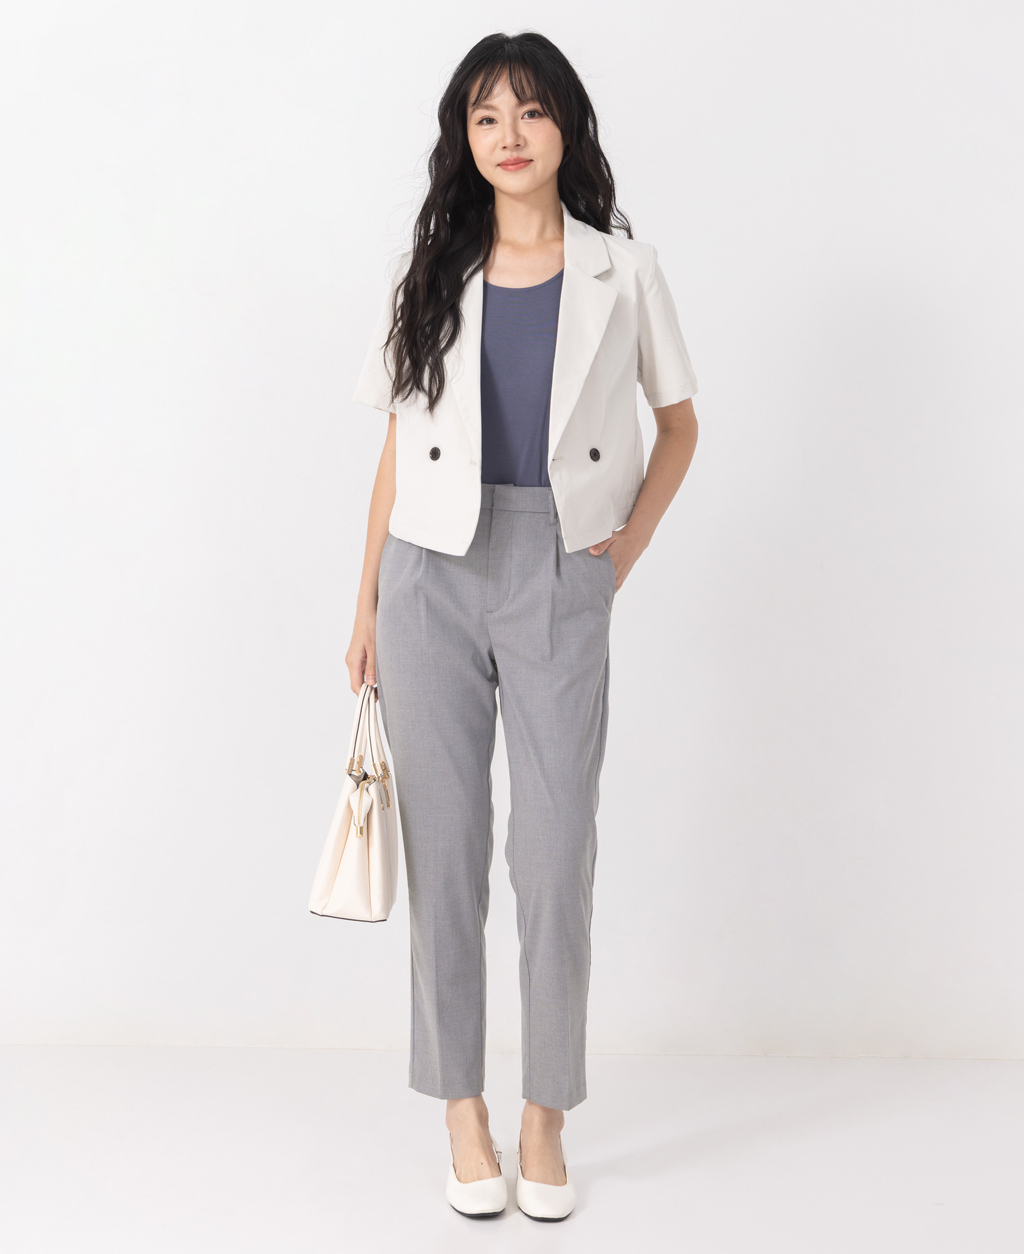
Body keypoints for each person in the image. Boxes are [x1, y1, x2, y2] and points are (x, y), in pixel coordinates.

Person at [345, 31, 699, 1221]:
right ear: (464, 136)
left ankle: (545, 1116)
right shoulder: (431, 269)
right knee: (446, 856)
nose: (508, 135)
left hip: (559, 566)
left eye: (531, 112)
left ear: (565, 130)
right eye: (486, 116)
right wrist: (364, 606)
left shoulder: (623, 271)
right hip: (427, 577)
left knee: (553, 852)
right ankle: (464, 1114)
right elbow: (397, 446)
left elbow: (679, 427)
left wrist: (618, 554)